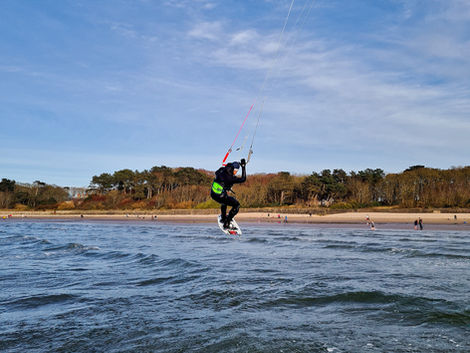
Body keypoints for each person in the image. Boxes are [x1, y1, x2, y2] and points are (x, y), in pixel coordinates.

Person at [211, 159, 246, 229]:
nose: (235, 173)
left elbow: (218, 174)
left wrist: (226, 186)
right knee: (236, 205)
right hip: (220, 196)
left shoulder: (221, 170)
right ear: (234, 170)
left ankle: (223, 218)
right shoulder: (231, 178)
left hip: (213, 194)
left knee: (224, 202)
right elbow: (243, 179)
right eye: (236, 171)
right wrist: (243, 167)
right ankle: (227, 222)